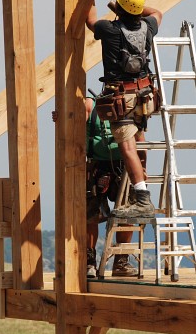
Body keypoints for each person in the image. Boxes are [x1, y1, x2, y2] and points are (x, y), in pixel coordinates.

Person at [86, 0, 163, 220]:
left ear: (119, 7)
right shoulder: (148, 26)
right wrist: (135, 10)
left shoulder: (109, 29)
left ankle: (142, 197)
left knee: (127, 148)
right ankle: (141, 178)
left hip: (121, 99)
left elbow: (90, 21)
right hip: (144, 96)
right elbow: (157, 12)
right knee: (138, 140)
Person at [53, 98, 137, 278]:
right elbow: (72, 124)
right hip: (96, 165)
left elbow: (139, 135)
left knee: (127, 212)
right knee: (91, 214)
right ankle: (89, 262)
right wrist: (62, 120)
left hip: (123, 164)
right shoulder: (90, 105)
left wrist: (141, 167)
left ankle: (121, 261)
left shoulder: (129, 104)